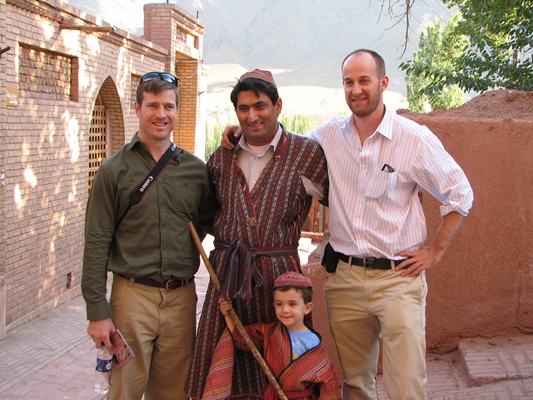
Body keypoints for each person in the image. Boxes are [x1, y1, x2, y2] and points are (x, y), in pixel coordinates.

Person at [221, 50, 474, 400]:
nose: (356, 89)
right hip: (345, 280)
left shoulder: (414, 139)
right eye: (349, 82)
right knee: (355, 383)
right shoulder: (328, 136)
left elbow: (459, 195)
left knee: (406, 383)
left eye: (364, 80)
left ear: (383, 83)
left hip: (398, 280)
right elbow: (281, 144)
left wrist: (435, 251)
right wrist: (242, 132)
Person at [185, 69, 329, 399]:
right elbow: (206, 212)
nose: (252, 116)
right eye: (243, 108)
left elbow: (340, 200)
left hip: (280, 281)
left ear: (278, 106)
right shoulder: (223, 155)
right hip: (227, 277)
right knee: (225, 366)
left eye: (260, 106)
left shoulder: (306, 154)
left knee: (282, 367)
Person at [81, 71, 218, 400]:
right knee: (124, 390)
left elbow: (207, 220)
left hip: (182, 299)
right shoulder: (113, 171)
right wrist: (98, 312)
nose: (161, 114)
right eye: (152, 105)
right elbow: (97, 241)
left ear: (176, 110)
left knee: (174, 391)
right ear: (137, 108)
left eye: (168, 106)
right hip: (131, 300)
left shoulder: (196, 170)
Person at [202, 271, 341, 400]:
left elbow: (328, 381)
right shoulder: (271, 332)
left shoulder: (314, 343)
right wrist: (227, 315)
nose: (285, 310)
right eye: (279, 304)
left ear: (307, 308)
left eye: (292, 304)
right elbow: (242, 337)